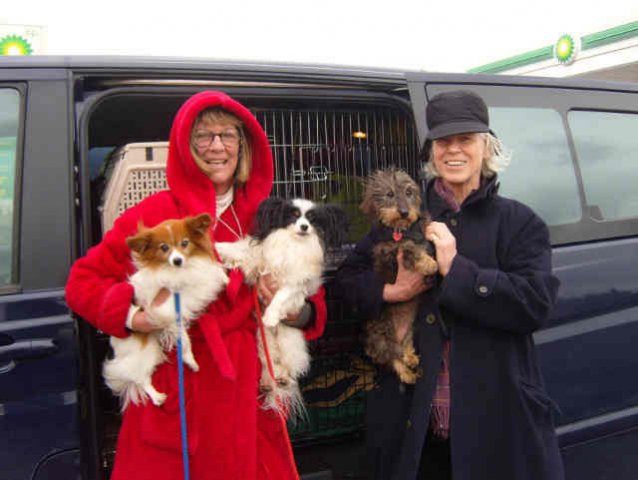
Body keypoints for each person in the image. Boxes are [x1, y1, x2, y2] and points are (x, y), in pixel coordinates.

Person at [65, 91, 326, 480]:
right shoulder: (154, 213)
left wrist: (297, 311)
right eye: (203, 135)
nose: (217, 146)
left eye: (228, 135)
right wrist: (135, 316)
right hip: (180, 391)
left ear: (244, 147)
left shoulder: (270, 216)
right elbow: (82, 282)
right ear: (185, 148)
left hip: (247, 396)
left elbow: (313, 299)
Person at [336, 90, 564, 480]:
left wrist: (458, 270)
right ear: (431, 152)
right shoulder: (403, 214)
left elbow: (535, 304)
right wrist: (390, 291)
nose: (453, 150)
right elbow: (342, 287)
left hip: (494, 426)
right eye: (443, 142)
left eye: (466, 140)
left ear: (486, 147)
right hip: (415, 427)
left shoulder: (519, 223)